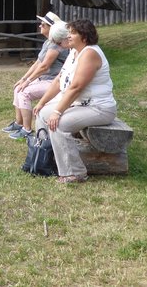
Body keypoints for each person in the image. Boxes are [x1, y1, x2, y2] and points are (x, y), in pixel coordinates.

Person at [33, 19, 117, 184]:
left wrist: (57, 112)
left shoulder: (90, 53)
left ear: (84, 37)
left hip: (99, 108)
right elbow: (59, 80)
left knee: (57, 124)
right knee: (43, 114)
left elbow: (76, 87)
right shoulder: (74, 52)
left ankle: (75, 173)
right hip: (81, 104)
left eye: (72, 33)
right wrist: (42, 102)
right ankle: (47, 160)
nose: (68, 36)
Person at [3, 12, 69, 140]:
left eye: (43, 24)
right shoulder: (47, 43)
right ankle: (19, 123)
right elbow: (37, 63)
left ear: (51, 27)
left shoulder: (56, 44)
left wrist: (27, 82)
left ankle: (27, 130)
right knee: (18, 88)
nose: (40, 26)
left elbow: (44, 67)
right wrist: (23, 79)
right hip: (46, 79)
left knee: (24, 92)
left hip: (54, 81)